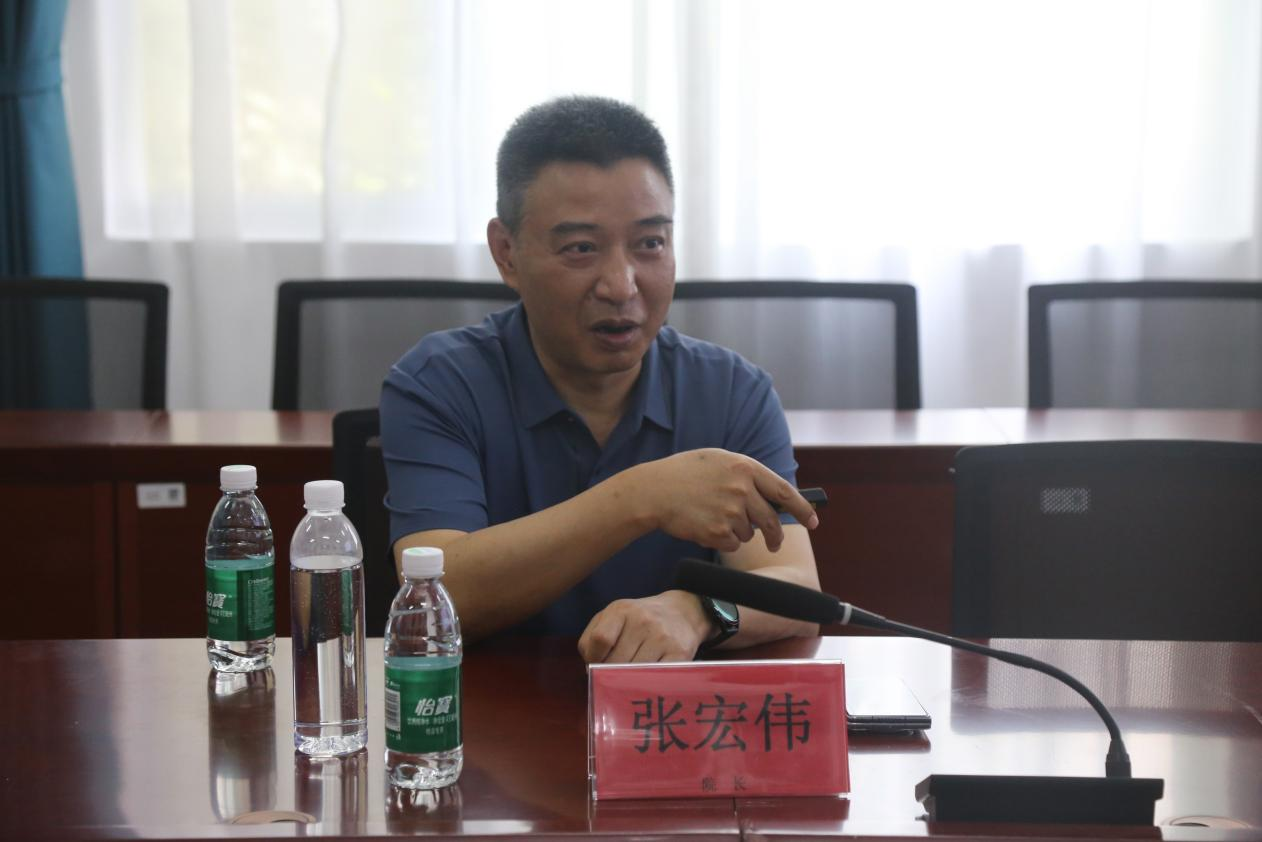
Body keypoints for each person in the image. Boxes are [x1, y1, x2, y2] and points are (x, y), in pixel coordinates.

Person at [380, 95, 821, 664]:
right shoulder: (439, 384)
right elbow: (439, 594)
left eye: (650, 243)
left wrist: (698, 611)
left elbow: (794, 587)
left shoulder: (731, 391)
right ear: (506, 253)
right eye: (581, 248)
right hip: (484, 709)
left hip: (664, 712)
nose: (621, 285)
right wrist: (642, 497)